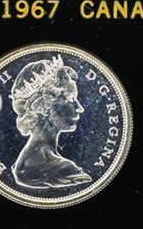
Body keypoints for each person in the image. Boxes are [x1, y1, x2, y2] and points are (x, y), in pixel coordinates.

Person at [11, 56, 92, 189]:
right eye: (70, 99)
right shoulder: (64, 168)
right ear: (44, 105)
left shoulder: (21, 164)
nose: (80, 108)